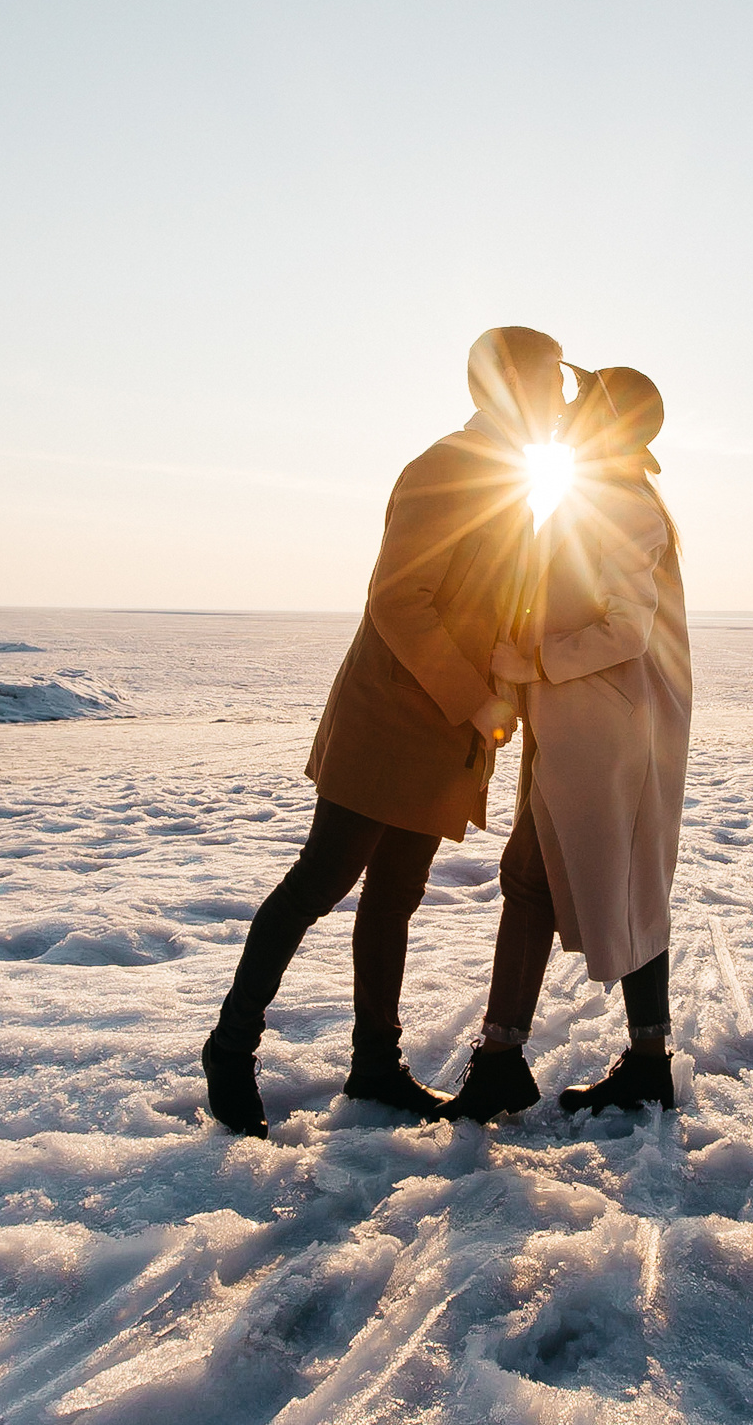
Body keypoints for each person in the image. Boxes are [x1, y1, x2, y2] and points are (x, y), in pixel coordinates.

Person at [201, 326, 567, 1137]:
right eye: (554, 381)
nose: (563, 398)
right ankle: (230, 1044)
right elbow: (400, 600)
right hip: (391, 721)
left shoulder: (511, 481)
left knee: (395, 896)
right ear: (510, 384)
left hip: (442, 735)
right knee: (320, 880)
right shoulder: (448, 468)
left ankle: (374, 1063)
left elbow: (490, 606)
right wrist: (477, 699)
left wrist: (515, 676)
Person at [439, 366, 692, 1121]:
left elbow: (627, 628)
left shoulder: (620, 504)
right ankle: (641, 1062)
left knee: (538, 879)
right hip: (591, 728)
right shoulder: (605, 496)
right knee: (615, 884)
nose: (571, 410)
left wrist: (533, 664)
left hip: (604, 733)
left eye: (584, 401)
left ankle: (503, 1062)